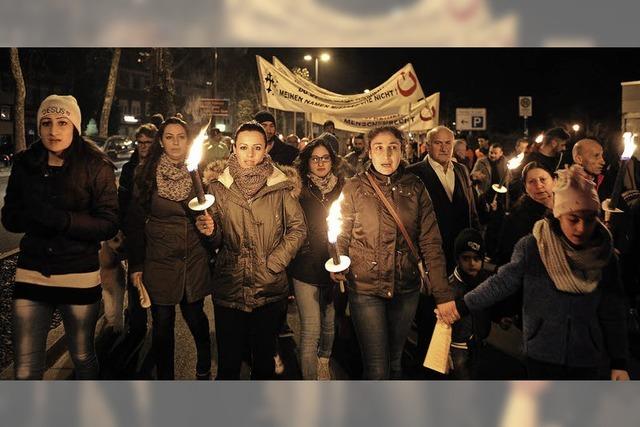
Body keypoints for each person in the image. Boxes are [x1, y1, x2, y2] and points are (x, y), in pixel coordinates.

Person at [445, 165, 630, 380]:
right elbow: (502, 282)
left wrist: (619, 362)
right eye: (573, 219)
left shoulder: (604, 255)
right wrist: (463, 306)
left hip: (586, 354)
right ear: (559, 214)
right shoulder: (534, 246)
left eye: (588, 219)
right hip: (542, 352)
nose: (580, 228)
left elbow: (613, 310)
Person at [1, 95, 118, 379]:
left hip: (79, 274)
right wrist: (33, 215)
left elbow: (108, 223)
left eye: (62, 123)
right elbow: (10, 218)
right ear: (38, 127)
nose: (54, 131)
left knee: (82, 355)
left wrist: (63, 221)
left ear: (74, 126)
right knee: (26, 369)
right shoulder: (25, 163)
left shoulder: (96, 165)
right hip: (32, 274)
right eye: (46, 123)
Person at [333, 126, 451, 379]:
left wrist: (442, 294)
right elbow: (340, 231)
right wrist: (338, 260)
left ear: (402, 150)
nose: (386, 155)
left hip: (406, 287)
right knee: (377, 367)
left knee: (396, 362)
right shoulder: (354, 187)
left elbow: (430, 242)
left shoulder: (416, 187)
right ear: (369, 152)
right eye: (379, 148)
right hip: (365, 287)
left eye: (393, 148)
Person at [195, 120, 306, 380]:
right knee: (229, 365)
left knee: (264, 365)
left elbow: (298, 229)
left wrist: (274, 262)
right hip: (230, 286)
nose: (250, 155)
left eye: (257, 147)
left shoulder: (280, 186)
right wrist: (210, 231)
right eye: (243, 147)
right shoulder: (218, 187)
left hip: (269, 289)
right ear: (233, 148)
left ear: (266, 148)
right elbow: (216, 240)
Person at [126, 117, 213, 380]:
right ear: (161, 142)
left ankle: (204, 362)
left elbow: (214, 217)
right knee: (162, 326)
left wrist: (210, 226)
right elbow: (135, 223)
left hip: (193, 257)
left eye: (181, 137)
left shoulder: (201, 172)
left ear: (188, 141)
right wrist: (137, 265)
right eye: (169, 137)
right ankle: (166, 381)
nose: (175, 142)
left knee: (195, 317)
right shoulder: (145, 173)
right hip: (160, 260)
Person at [289, 137, 345, 380]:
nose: (320, 163)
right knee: (311, 330)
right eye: (315, 158)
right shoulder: (298, 189)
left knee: (330, 325)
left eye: (325, 158)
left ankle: (324, 360)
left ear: (333, 161)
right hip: (306, 267)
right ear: (307, 161)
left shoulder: (345, 188)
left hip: (335, 264)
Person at [116, 123, 157, 341]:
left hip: (152, 231)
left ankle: (156, 322)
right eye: (140, 143)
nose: (143, 147)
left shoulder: (158, 167)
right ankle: (137, 322)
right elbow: (122, 199)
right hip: (133, 229)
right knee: (134, 277)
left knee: (152, 278)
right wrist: (121, 227)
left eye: (148, 143)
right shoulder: (129, 168)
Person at [449, 229, 491, 380]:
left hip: (477, 341)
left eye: (476, 258)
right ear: (457, 259)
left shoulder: (484, 280)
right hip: (457, 347)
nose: (472, 263)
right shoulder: (450, 289)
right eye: (466, 258)